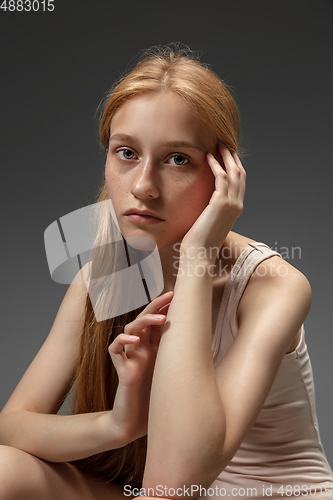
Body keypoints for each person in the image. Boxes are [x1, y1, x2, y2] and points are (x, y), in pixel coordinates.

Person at [0, 44, 332, 500]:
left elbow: (173, 483)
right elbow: (13, 426)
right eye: (126, 153)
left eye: (178, 159)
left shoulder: (274, 288)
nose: (143, 187)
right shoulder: (108, 275)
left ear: (223, 174)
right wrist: (118, 424)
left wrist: (198, 253)